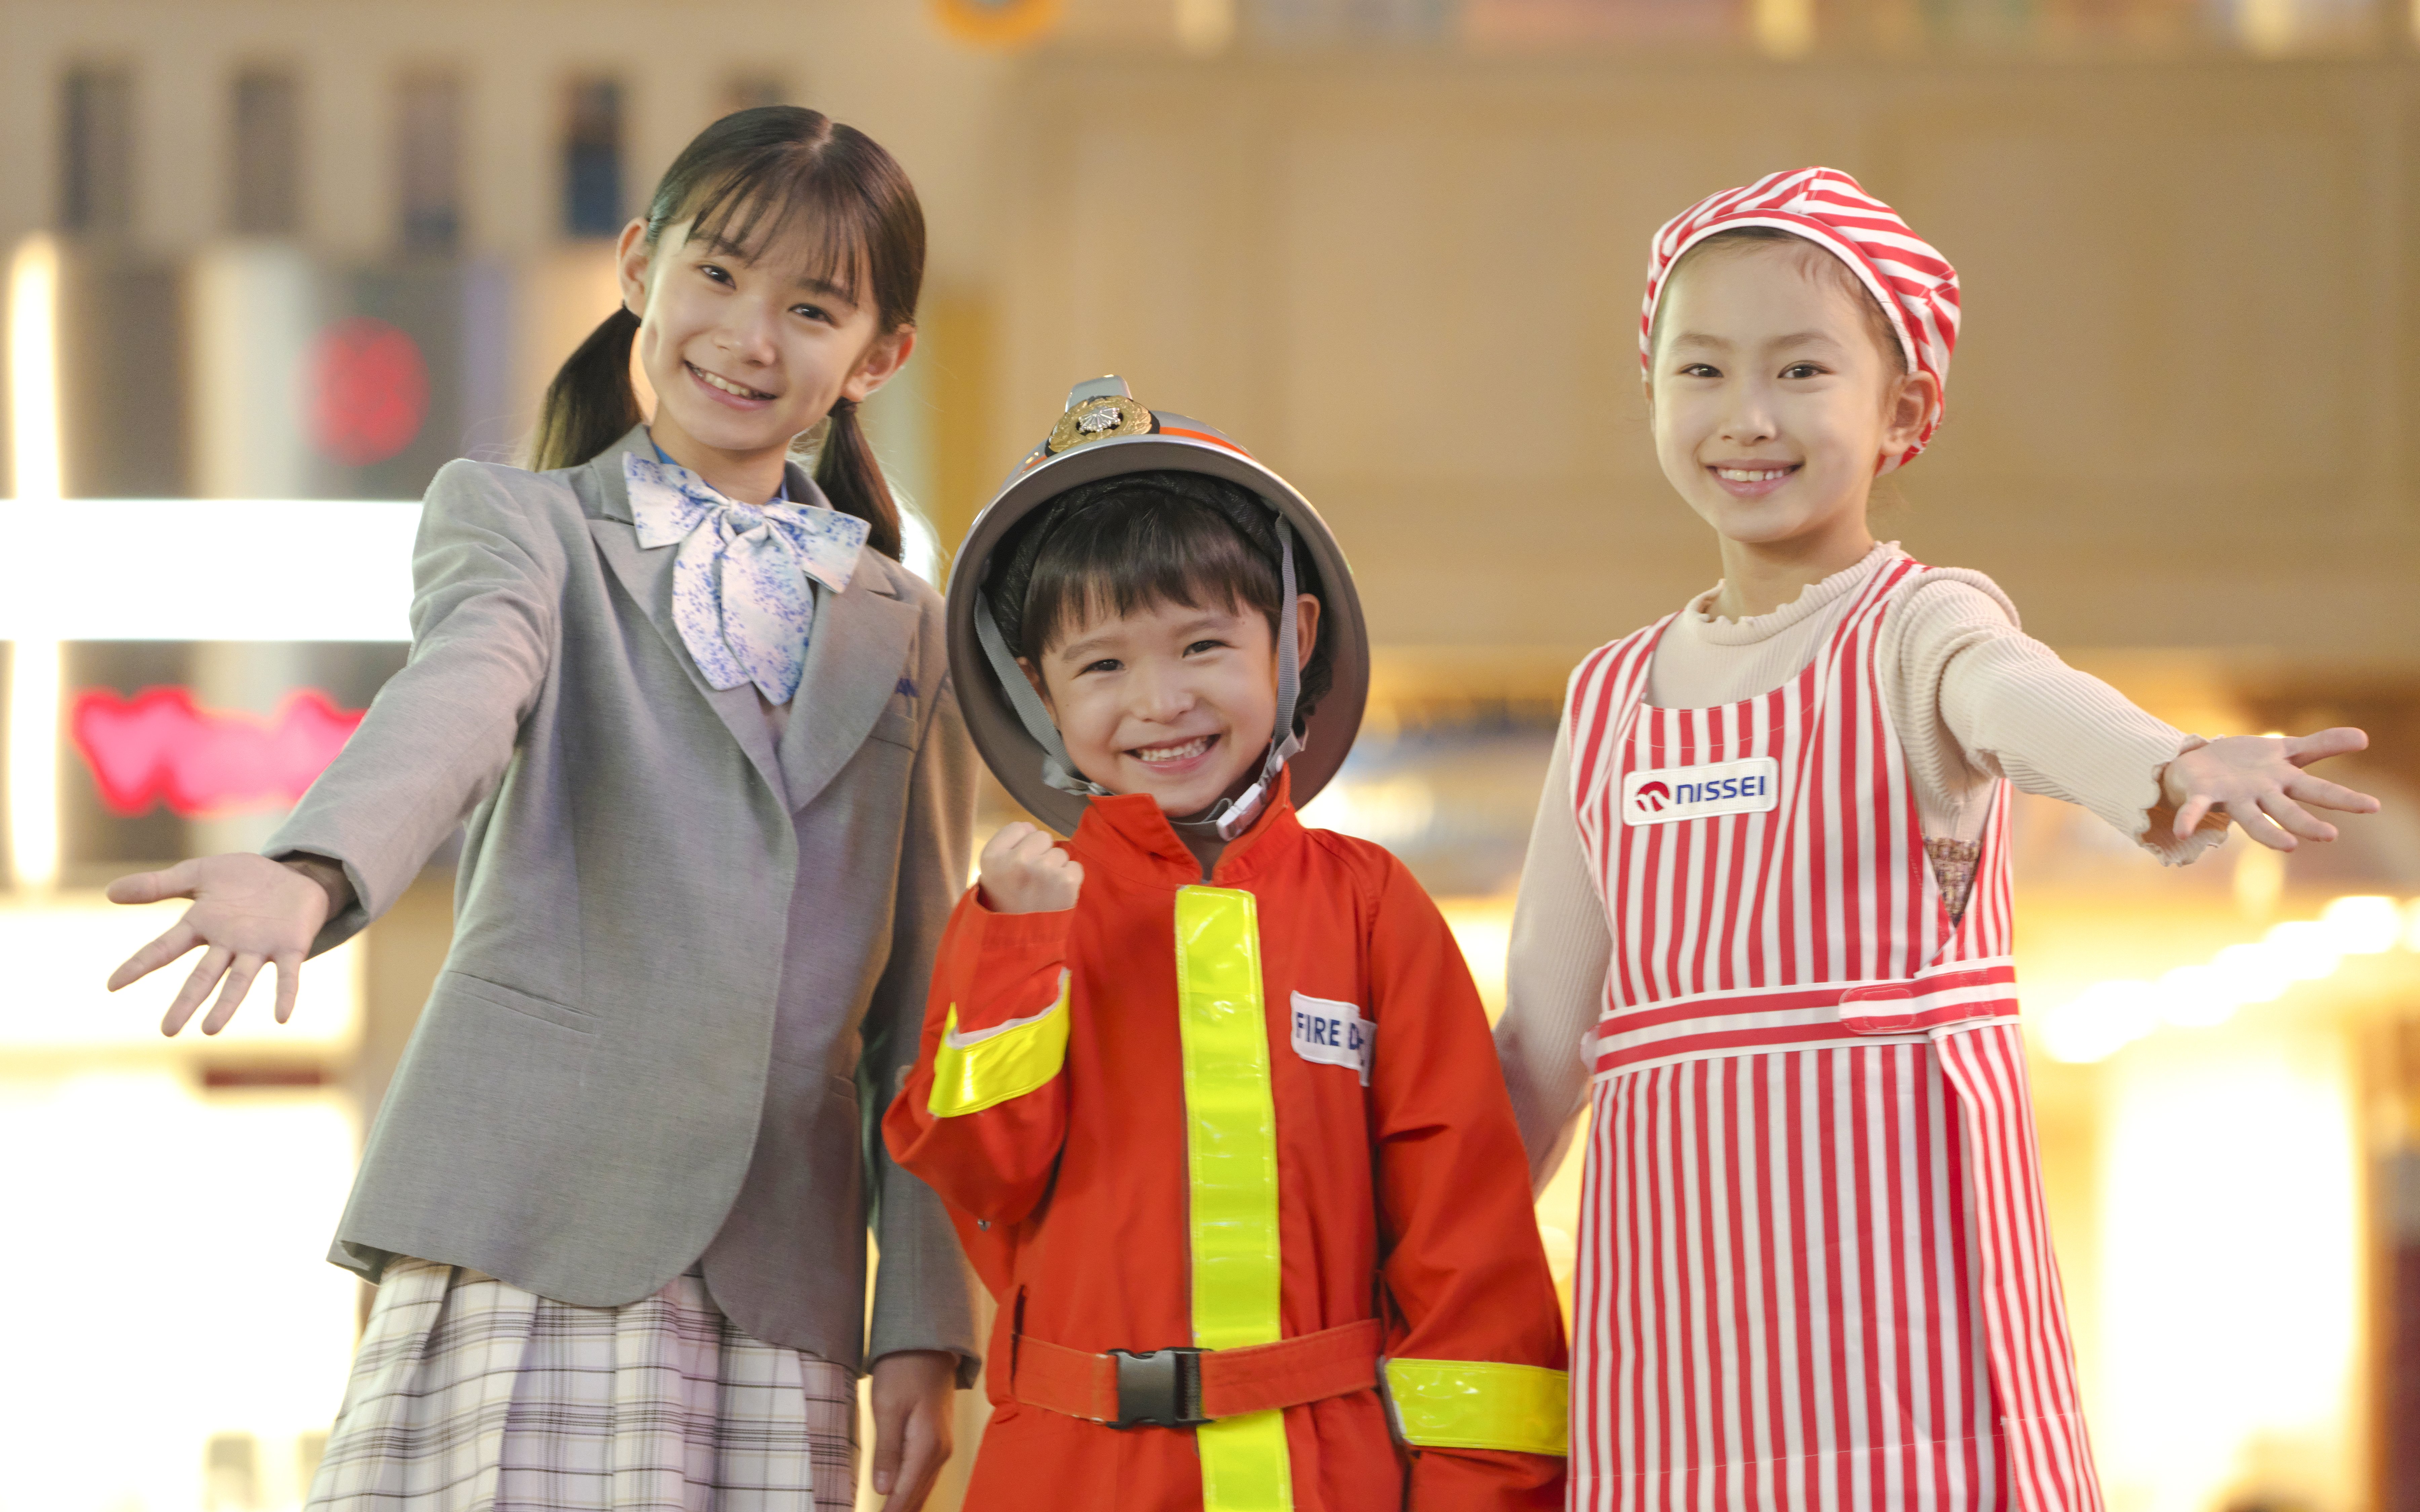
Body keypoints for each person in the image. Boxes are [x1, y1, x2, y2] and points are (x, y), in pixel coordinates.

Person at [102, 107, 979, 1512]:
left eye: (811, 307)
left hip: (785, 1285)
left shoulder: (915, 632)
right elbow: (458, 699)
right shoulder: (524, 527)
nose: (750, 337)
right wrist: (315, 871)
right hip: (527, 1229)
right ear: (640, 266)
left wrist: (925, 1325)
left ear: (877, 358)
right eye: (718, 276)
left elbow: (923, 1018)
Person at [1491, 168, 2381, 1511]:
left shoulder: (1917, 629)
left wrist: (2174, 763)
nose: (1746, 419)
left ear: (1903, 409)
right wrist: (1397, 1238)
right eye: (1702, 372)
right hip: (1666, 1356)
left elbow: (2023, 703)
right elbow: (1539, 1055)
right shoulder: (1608, 697)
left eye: (1800, 373)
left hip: (1902, 1345)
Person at [881, 378, 1570, 1511]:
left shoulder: (1373, 909)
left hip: (1334, 1474)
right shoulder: (1009, 917)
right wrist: (1016, 946)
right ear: (1043, 697)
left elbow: (1469, 1251)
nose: (1160, 700)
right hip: (1067, 1477)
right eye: (1100, 666)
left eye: (1202, 643)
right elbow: (980, 1173)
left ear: (1292, 638)